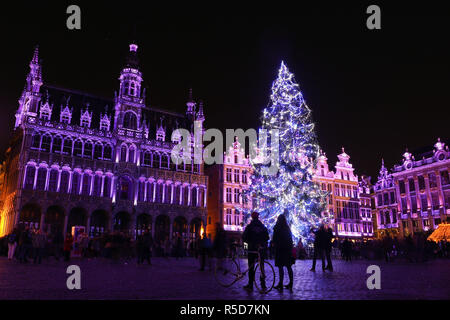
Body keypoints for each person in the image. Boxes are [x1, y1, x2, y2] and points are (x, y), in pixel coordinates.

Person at [242, 211, 269, 291]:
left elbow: (244, 237)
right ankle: (263, 284)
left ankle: (250, 285)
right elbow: (267, 237)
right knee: (261, 267)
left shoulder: (249, 226)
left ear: (252, 217)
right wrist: (261, 244)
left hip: (252, 249)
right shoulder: (262, 226)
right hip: (260, 249)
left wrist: (247, 244)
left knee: (251, 267)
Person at [272, 213, 294, 290]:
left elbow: (274, 239)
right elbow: (290, 240)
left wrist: (274, 245)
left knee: (280, 267)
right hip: (287, 250)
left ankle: (280, 283)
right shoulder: (287, 228)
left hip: (280, 249)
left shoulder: (277, 228)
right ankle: (291, 283)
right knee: (288, 267)